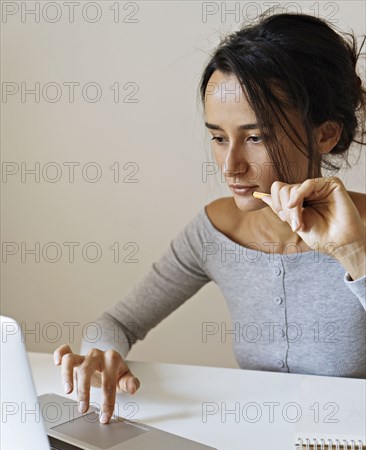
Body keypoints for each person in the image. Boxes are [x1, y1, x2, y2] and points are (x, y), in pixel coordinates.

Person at [54, 10, 366, 424]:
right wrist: (102, 355)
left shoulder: (359, 233)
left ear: (325, 134)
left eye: (255, 137)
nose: (230, 165)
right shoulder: (216, 232)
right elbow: (117, 321)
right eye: (219, 138)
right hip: (258, 445)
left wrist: (354, 254)